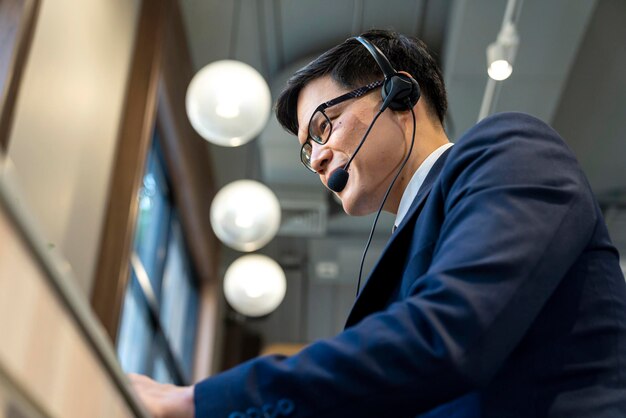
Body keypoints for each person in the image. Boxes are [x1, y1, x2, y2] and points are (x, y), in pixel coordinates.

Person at [130, 29, 626, 417]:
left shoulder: (512, 148)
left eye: (324, 126)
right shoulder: (408, 240)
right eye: (306, 148)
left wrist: (202, 402)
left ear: (399, 94)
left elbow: (450, 337)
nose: (318, 157)